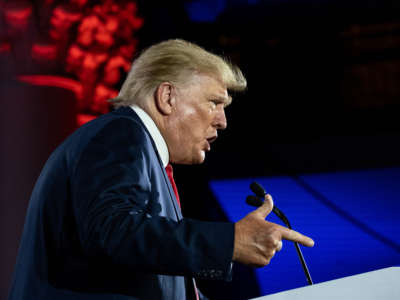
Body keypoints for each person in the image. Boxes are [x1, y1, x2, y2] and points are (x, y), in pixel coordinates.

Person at [8, 39, 314, 300]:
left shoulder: (143, 152)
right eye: (213, 102)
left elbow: (146, 268)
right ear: (167, 97)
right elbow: (112, 231)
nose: (223, 121)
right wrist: (229, 241)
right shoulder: (120, 135)